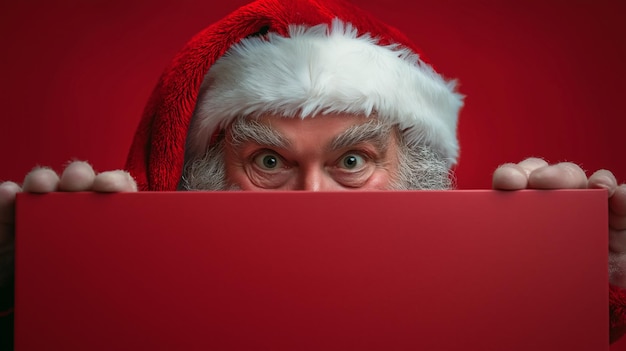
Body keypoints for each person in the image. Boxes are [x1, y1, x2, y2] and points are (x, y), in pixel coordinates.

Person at [1, 0, 625, 346]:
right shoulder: (129, 322)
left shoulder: (487, 316)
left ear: (422, 172)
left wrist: (592, 303)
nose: (311, 198)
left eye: (352, 161)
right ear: (201, 177)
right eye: (268, 162)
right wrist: (20, 313)